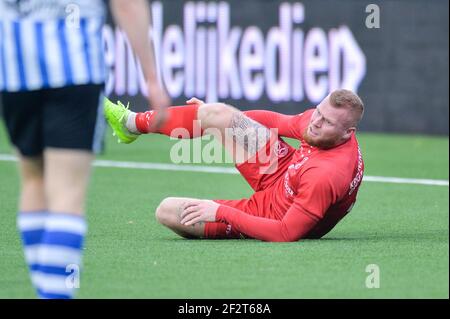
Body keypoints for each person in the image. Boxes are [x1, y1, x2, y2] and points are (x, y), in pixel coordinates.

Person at [0, 0, 170, 299]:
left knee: (33, 180)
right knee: (67, 193)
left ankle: (46, 292)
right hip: (74, 65)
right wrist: (152, 77)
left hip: (16, 66)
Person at [104, 89, 364, 242]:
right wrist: (224, 122)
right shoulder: (317, 122)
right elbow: (273, 119)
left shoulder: (328, 174)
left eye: (326, 122)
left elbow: (286, 232)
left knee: (167, 211)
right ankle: (131, 123)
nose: (316, 122)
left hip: (272, 216)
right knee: (216, 112)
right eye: (318, 112)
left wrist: (220, 212)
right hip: (282, 170)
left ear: (347, 133)